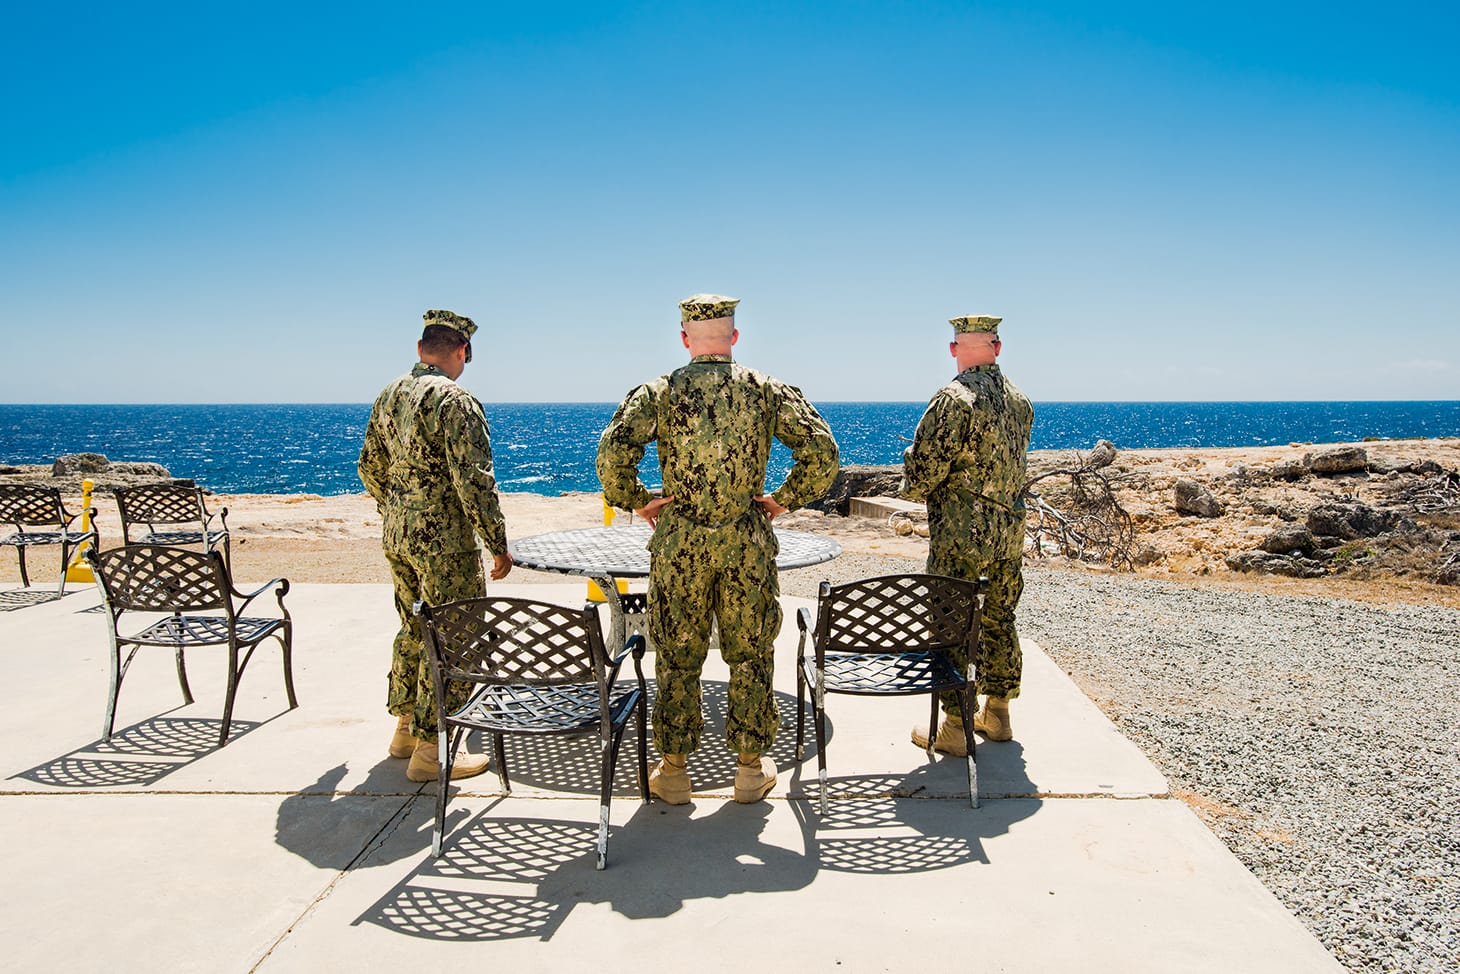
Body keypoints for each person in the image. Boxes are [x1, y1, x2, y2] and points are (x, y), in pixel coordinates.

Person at [597, 294, 839, 804]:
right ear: (734, 337)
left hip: (680, 541)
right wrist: (780, 501)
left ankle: (675, 771)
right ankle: (749, 772)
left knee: (678, 655)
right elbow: (822, 454)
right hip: (746, 542)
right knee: (750, 653)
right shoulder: (767, 390)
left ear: (685, 339)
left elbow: (611, 459)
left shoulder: (658, 392)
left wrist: (642, 502)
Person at [358, 309, 514, 783]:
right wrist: (498, 544)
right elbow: (474, 483)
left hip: (398, 534)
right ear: (463, 351)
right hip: (444, 542)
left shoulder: (390, 394)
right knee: (454, 637)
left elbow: (368, 466)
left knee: (412, 627)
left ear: (421, 348)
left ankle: (406, 728)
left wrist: (401, 509)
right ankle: (431, 750)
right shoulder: (455, 400)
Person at [901, 314, 1034, 749]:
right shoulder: (1020, 401)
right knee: (999, 619)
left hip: (961, 537)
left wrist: (910, 461)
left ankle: (956, 727)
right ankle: (998, 713)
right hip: (1008, 535)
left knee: (952, 623)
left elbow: (923, 474)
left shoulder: (953, 400)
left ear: (955, 349)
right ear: (997, 347)